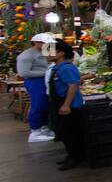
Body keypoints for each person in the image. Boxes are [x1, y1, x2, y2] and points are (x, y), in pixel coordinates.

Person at [48, 40, 85, 170]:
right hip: (60, 104)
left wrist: (66, 105)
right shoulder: (56, 68)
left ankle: (75, 158)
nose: (46, 54)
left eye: (50, 50)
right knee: (64, 133)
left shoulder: (66, 68)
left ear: (61, 53)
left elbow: (72, 85)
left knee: (71, 134)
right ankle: (71, 155)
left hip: (70, 107)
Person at [17, 33, 56, 143]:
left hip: (45, 80)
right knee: (38, 104)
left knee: (46, 103)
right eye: (44, 43)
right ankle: (35, 130)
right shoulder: (26, 55)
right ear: (36, 42)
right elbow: (24, 72)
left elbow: (52, 60)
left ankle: (44, 126)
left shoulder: (46, 50)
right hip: (34, 82)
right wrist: (46, 72)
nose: (47, 45)